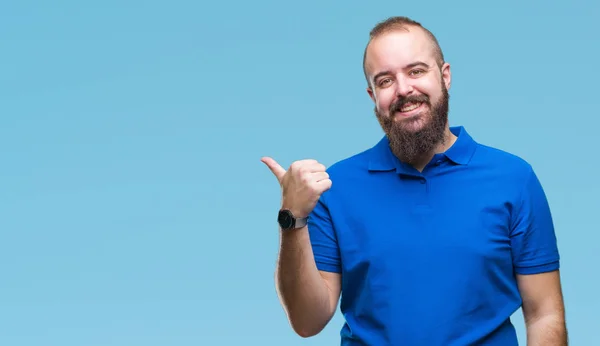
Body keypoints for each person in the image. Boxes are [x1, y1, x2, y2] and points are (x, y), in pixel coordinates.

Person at [261, 16, 568, 346]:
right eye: (385, 80)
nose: (404, 89)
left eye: (416, 71)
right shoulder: (334, 188)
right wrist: (292, 218)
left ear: (445, 76)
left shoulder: (513, 179)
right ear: (372, 96)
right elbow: (307, 322)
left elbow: (544, 314)